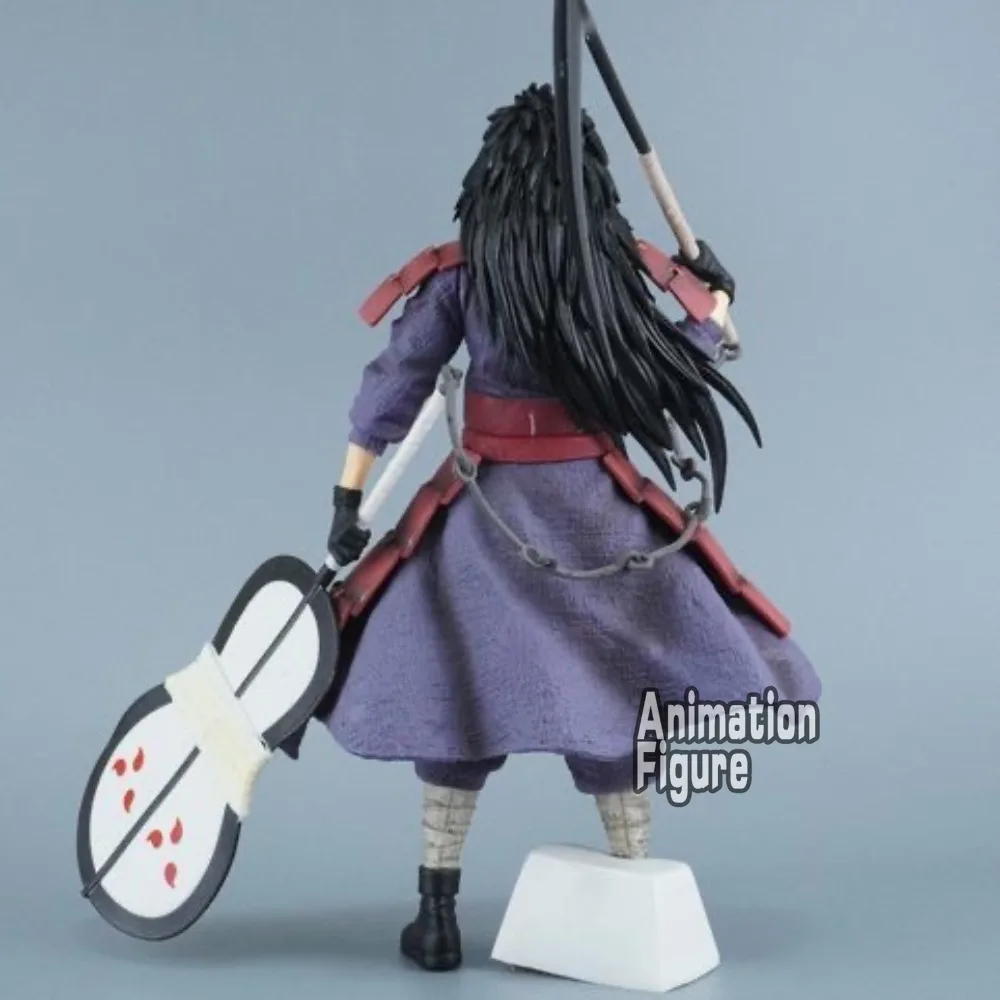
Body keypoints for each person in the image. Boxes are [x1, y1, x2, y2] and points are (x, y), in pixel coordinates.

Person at [314, 83, 820, 972]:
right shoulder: (615, 271)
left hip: (482, 516)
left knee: (452, 704)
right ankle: (632, 883)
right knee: (613, 703)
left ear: (491, 177)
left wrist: (347, 501)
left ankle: (437, 915)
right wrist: (713, 308)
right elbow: (681, 361)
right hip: (594, 514)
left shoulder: (464, 273)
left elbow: (389, 389)